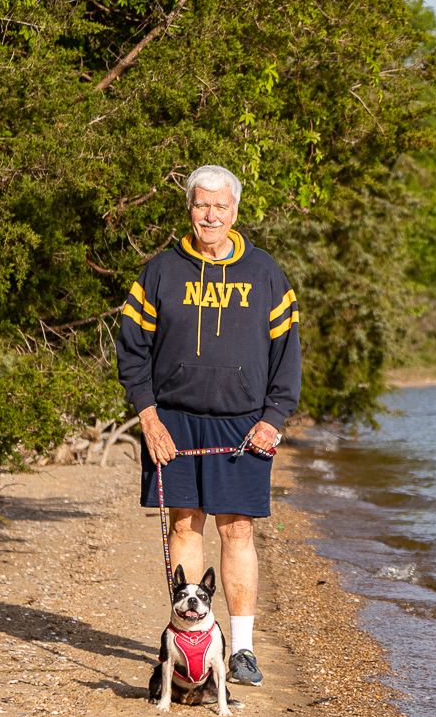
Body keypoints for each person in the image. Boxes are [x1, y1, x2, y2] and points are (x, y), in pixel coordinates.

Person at [116, 164, 300, 687]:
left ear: (236, 211)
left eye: (220, 206)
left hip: (243, 426)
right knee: (184, 525)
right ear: (189, 208)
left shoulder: (265, 273)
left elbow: (287, 355)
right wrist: (148, 418)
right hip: (172, 421)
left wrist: (274, 419)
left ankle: (239, 650)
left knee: (237, 529)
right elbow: (131, 350)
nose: (211, 215)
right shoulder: (160, 271)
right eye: (202, 205)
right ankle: (193, 642)